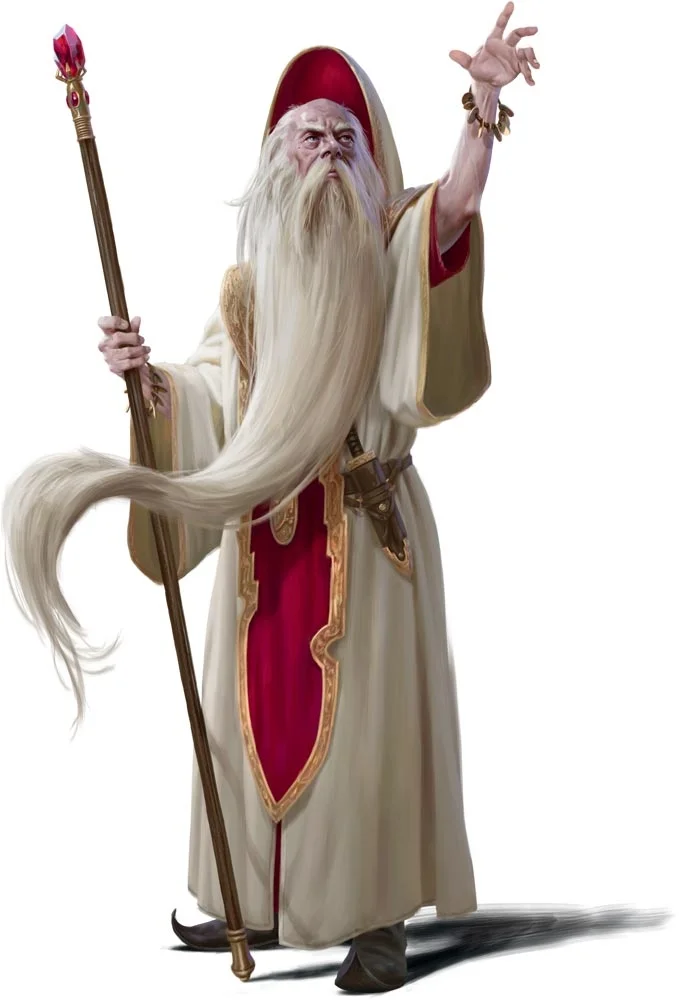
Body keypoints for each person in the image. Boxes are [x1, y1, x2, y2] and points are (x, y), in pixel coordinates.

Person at [3, 4, 539, 993]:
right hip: (266, 542)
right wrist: (149, 383)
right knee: (241, 732)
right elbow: (213, 395)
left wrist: (479, 109)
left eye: (344, 138)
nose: (328, 151)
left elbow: (454, 211)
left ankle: (373, 920)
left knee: (365, 741)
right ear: (276, 158)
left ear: (370, 160)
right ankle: (252, 897)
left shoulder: (391, 251)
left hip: (363, 538)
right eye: (310, 136)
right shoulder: (247, 290)